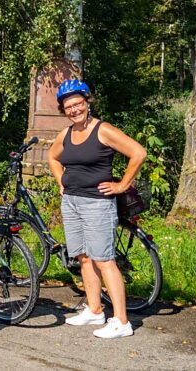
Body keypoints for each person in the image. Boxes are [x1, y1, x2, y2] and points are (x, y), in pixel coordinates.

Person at [48, 79, 147, 339]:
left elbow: (138, 153)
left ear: (87, 102)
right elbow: (52, 157)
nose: (74, 110)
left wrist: (122, 185)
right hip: (71, 201)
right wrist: (62, 181)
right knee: (83, 256)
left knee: (104, 260)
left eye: (78, 104)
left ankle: (122, 321)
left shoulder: (102, 130)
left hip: (96, 203)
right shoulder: (67, 134)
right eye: (68, 107)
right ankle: (94, 309)